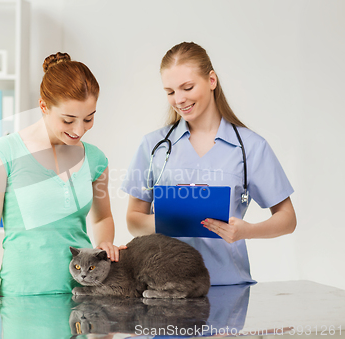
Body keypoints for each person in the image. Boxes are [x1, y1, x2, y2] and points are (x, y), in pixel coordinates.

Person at [121, 42, 297, 285]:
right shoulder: (153, 146)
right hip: (165, 288)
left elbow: (287, 218)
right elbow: (133, 220)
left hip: (228, 286)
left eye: (187, 87)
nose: (179, 99)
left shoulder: (251, 147)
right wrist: (175, 220)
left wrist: (246, 231)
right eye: (170, 92)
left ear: (211, 80)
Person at [0, 52, 123, 298]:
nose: (79, 130)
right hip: (21, 300)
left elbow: (102, 218)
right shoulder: (3, 153)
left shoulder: (96, 159)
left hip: (82, 298)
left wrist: (104, 244)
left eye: (89, 118)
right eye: (68, 120)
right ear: (43, 106)